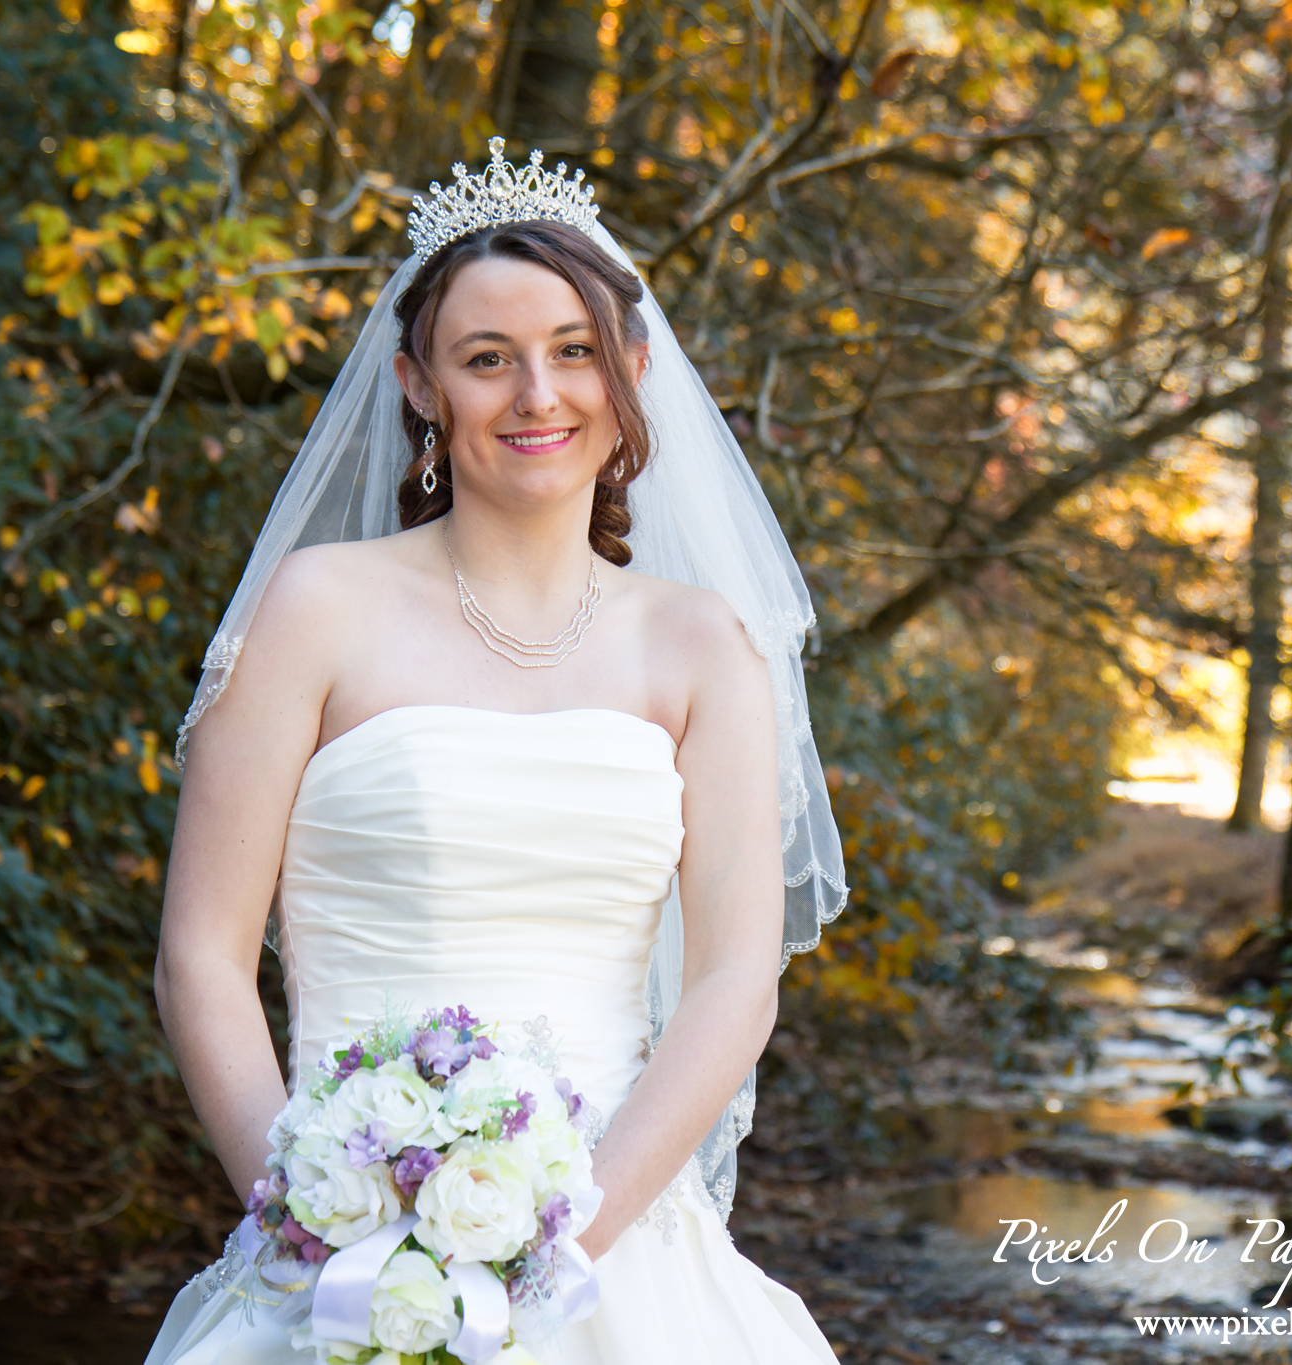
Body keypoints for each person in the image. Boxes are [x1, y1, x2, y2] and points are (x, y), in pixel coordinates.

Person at [142, 140, 847, 1365]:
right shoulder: (315, 610)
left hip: (618, 1260)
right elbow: (199, 957)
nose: (538, 394)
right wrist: (313, 1221)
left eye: (574, 351)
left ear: (630, 371)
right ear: (419, 385)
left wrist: (562, 1245)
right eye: (487, 359)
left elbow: (735, 979)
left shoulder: (698, 646)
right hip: (333, 1250)